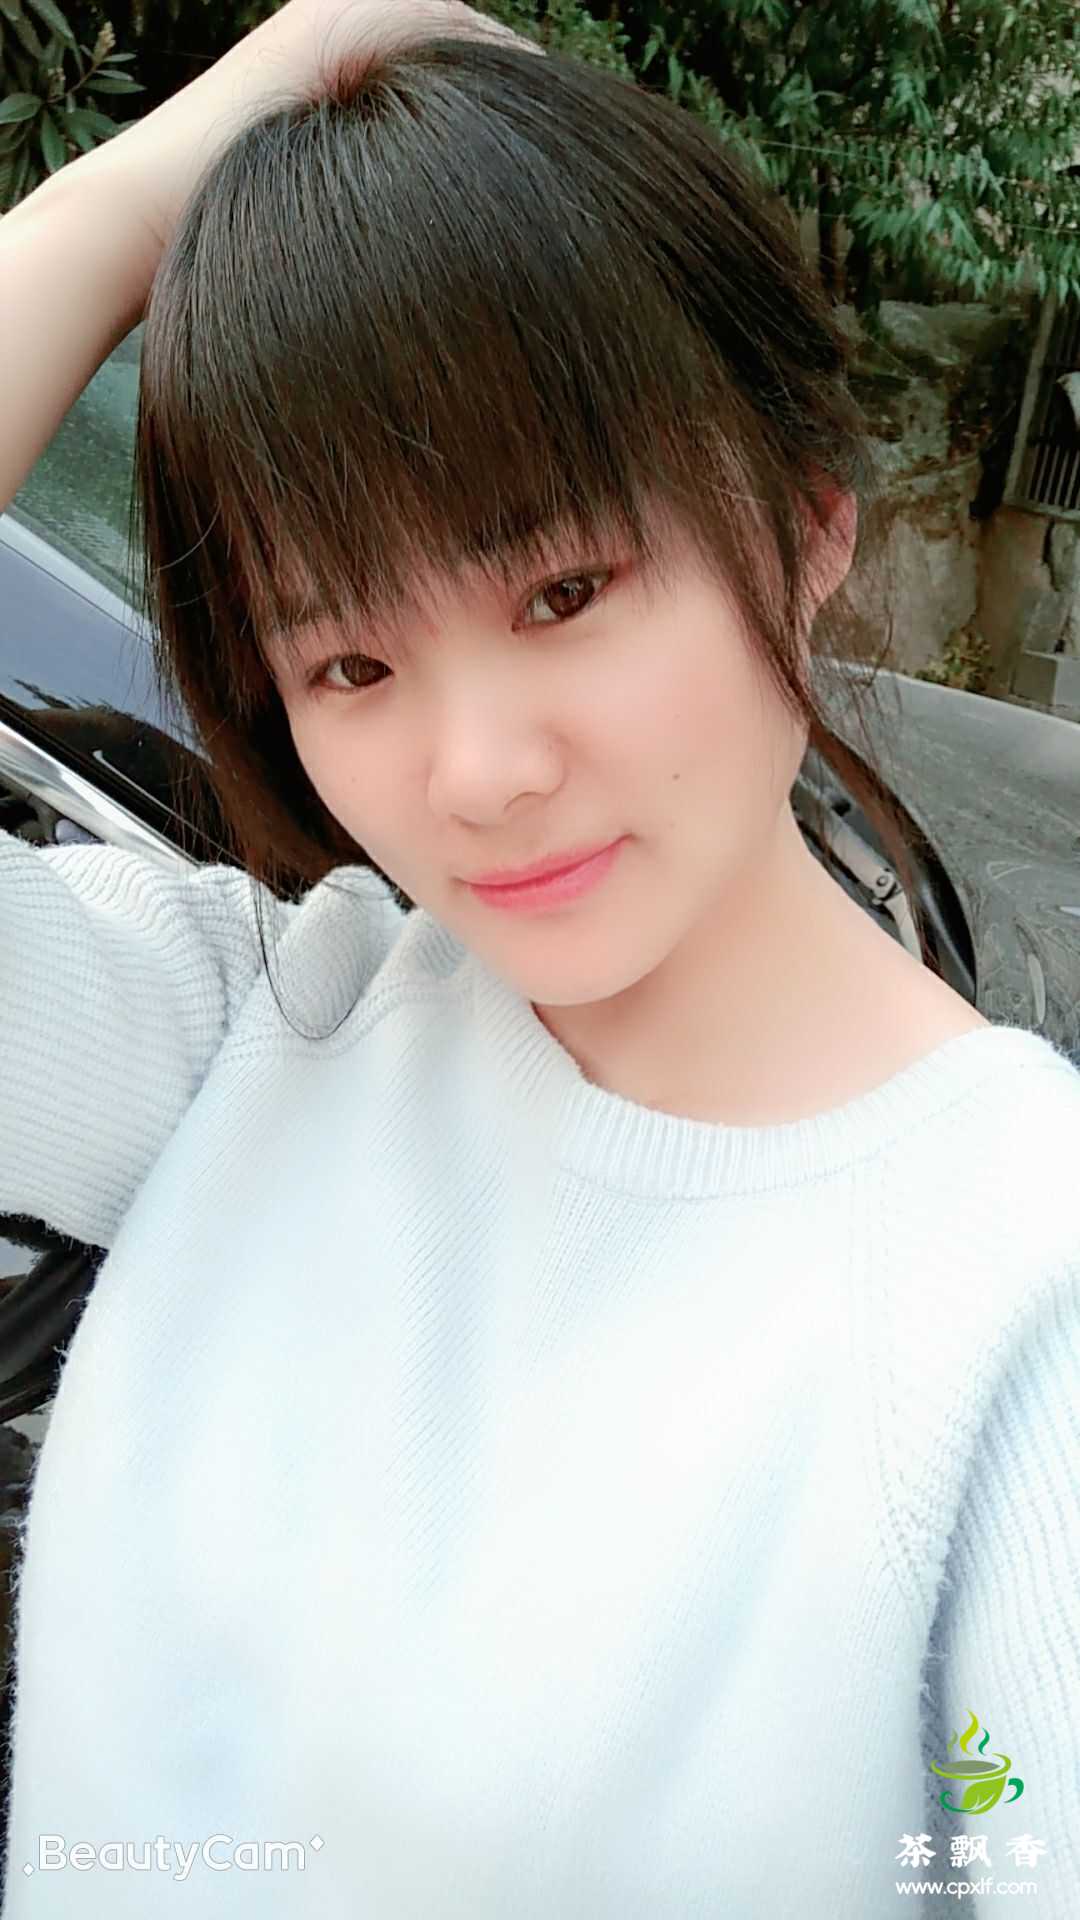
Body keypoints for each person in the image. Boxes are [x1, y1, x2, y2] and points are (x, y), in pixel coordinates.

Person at [1, 1, 1078, 1913]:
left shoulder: (1015, 1288)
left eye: (565, 590)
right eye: (351, 661)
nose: (479, 772)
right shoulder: (258, 1027)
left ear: (808, 521)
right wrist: (144, 190)